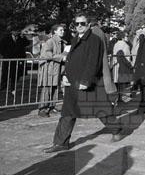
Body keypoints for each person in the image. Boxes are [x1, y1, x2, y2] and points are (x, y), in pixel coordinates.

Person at [44, 14, 124, 152]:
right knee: (68, 112)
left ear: (88, 25)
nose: (79, 26)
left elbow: (94, 62)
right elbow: (70, 59)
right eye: (77, 24)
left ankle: (116, 129)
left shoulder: (95, 40)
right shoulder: (76, 38)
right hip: (72, 82)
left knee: (101, 110)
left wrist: (86, 80)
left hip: (88, 83)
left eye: (82, 23)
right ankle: (61, 143)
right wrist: (65, 75)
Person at [37, 24, 66, 116]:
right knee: (47, 88)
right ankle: (42, 109)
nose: (63, 31)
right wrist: (61, 57)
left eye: (63, 30)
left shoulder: (62, 42)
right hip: (49, 68)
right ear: (55, 31)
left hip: (56, 69)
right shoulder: (50, 41)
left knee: (54, 88)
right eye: (60, 30)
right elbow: (46, 54)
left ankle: (51, 107)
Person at [111, 31, 134, 102]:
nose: (127, 38)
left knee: (117, 84)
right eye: (126, 36)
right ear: (123, 37)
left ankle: (118, 98)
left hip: (116, 65)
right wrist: (130, 65)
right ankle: (121, 98)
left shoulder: (116, 44)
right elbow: (127, 57)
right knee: (123, 83)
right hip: (123, 66)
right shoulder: (125, 45)